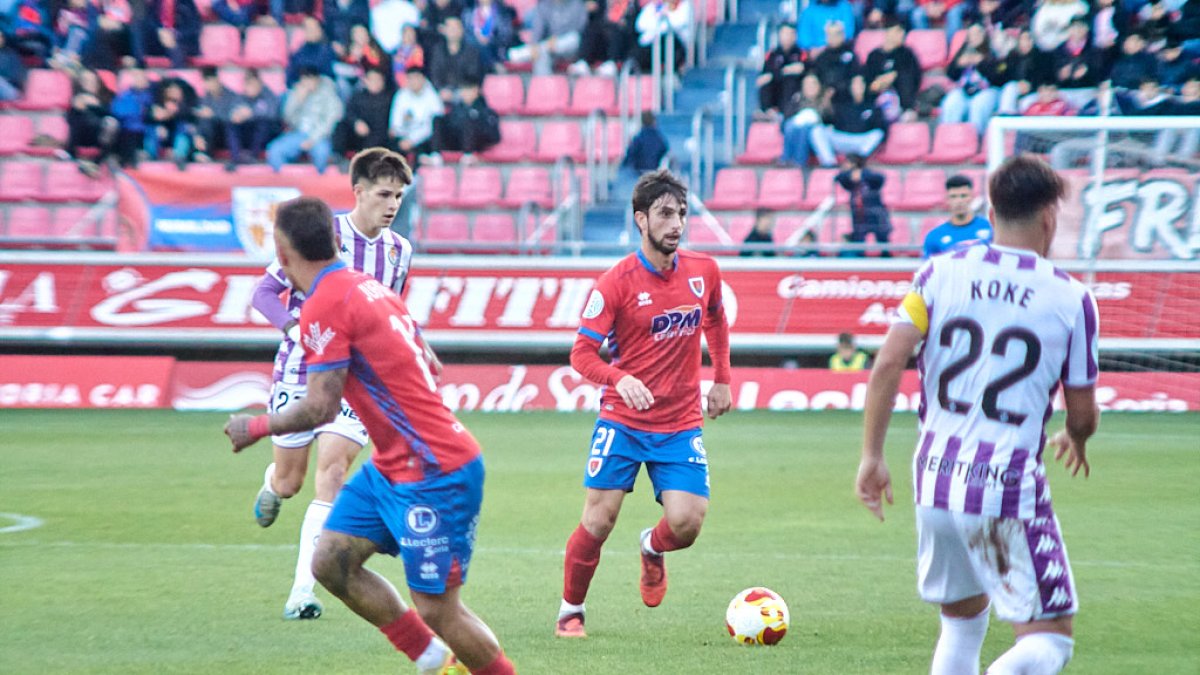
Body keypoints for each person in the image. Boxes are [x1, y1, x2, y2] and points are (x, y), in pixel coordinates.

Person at [226, 196, 515, 675]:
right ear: (335, 240)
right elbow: (424, 359)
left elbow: (321, 406)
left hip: (434, 468)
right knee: (330, 561)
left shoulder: (324, 304)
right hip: (393, 464)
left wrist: (255, 426)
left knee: (439, 610)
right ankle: (434, 661)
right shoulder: (369, 287)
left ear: (281, 253)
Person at [856, 154, 1100, 675]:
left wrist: (872, 455)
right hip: (1004, 483)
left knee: (962, 622)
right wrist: (1076, 437)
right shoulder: (1072, 298)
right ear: (1050, 218)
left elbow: (888, 363)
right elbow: (1081, 414)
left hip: (934, 477)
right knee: (1050, 638)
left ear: (991, 213)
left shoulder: (938, 273)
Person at [555, 169, 732, 638]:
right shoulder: (615, 283)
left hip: (680, 421)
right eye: (665, 214)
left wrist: (722, 378)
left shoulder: (704, 271)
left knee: (687, 523)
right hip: (623, 419)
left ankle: (652, 547)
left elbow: (716, 320)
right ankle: (571, 611)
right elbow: (581, 354)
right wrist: (619, 377)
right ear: (641, 219)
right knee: (599, 518)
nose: (676, 224)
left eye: (681, 214)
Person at [248, 148, 422, 621]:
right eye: (384, 194)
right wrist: (295, 329)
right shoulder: (324, 238)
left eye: (399, 196)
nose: (392, 205)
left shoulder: (400, 251)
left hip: (355, 381)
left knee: (333, 472)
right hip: (300, 372)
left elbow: (391, 310)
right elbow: (264, 293)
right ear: (359, 192)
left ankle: (302, 591)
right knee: (290, 482)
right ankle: (272, 482)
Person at [266, 67, 343, 173]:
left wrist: (313, 139)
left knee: (322, 154)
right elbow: (287, 119)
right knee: (274, 151)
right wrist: (297, 101)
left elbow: (331, 121)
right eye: (304, 80)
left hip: (319, 136)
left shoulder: (329, 94)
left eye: (310, 80)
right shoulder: (296, 92)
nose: (307, 83)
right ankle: (283, 179)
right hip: (297, 134)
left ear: (317, 79)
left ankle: (318, 181)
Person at [923, 174, 992, 259]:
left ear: (972, 197)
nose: (959, 201)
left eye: (964, 196)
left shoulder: (990, 228)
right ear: (947, 199)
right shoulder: (934, 236)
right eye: (953, 196)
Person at [835, 153, 891, 256]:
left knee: (882, 239)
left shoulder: (870, 176)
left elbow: (880, 178)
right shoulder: (849, 178)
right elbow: (838, 178)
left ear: (854, 163)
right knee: (859, 242)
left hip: (875, 213)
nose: (844, 165)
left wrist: (862, 174)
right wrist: (850, 174)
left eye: (847, 162)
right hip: (859, 215)